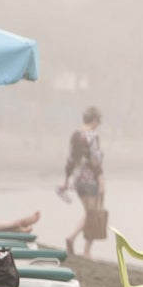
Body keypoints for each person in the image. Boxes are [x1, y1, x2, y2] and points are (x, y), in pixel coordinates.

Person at [56, 105, 106, 259]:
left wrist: (66, 181)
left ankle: (74, 239)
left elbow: (70, 159)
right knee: (93, 214)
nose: (99, 124)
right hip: (91, 179)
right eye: (99, 121)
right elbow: (95, 160)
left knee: (88, 214)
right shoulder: (92, 135)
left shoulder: (75, 135)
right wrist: (101, 180)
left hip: (77, 180)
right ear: (95, 120)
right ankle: (85, 249)